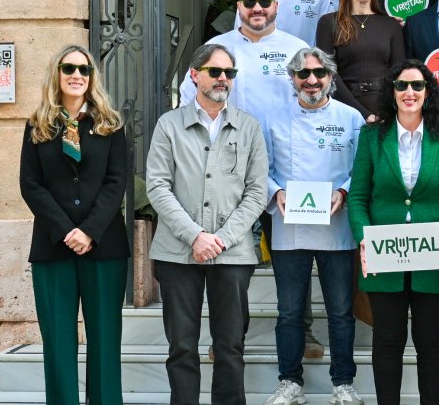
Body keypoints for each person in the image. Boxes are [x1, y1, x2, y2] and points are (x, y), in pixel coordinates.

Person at [146, 42, 269, 405]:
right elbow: (157, 185)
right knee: (182, 345)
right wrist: (195, 236)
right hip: (177, 252)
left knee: (230, 345)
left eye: (229, 73)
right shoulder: (169, 125)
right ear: (194, 75)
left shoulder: (248, 127)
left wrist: (222, 239)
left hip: (232, 255)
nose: (222, 79)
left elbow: (257, 192)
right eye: (215, 71)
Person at [347, 59, 439, 405]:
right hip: (383, 254)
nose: (410, 92)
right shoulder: (372, 135)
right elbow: (357, 197)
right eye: (402, 85)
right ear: (392, 91)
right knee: (387, 340)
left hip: (434, 255)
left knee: (431, 341)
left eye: (417, 85)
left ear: (428, 92)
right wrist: (363, 238)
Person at [19, 45, 129, 405]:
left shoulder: (110, 124)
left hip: (104, 247)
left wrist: (90, 231)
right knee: (58, 342)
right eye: (69, 68)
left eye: (84, 69)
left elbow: (117, 182)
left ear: (92, 77)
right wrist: (66, 230)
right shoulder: (37, 126)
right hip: (54, 247)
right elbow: (30, 184)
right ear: (57, 74)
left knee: (104, 341)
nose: (77, 75)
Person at [263, 48, 366, 405]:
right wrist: (275, 192)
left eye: (319, 73)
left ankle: (343, 383)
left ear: (330, 78)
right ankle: (289, 382)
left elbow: (362, 169)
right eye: (304, 74)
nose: (312, 80)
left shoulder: (351, 117)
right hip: (289, 230)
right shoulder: (272, 119)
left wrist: (344, 191)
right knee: (289, 311)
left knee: (340, 310)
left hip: (337, 229)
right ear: (292, 79)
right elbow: (260, 168)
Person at [179, 0, 308, 118]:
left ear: (276, 6)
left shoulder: (298, 49)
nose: (257, 8)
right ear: (239, 7)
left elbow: (313, 104)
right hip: (229, 138)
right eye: (249, 2)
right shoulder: (215, 47)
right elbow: (188, 99)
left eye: (265, 2)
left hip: (283, 138)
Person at [317, 0, 406, 121]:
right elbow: (328, 73)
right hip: (342, 110)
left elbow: (399, 74)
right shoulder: (328, 23)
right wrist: (363, 114)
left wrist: (387, 113)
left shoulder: (391, 25)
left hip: (385, 113)